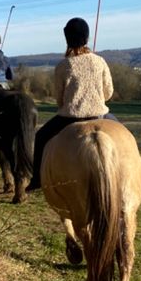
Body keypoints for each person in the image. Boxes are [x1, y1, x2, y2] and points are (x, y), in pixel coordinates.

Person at [26, 17, 117, 192]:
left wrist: (69, 103)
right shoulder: (100, 61)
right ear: (87, 38)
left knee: (40, 137)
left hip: (69, 118)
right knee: (126, 137)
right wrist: (96, 99)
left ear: (67, 39)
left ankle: (36, 179)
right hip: (101, 116)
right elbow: (108, 92)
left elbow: (59, 99)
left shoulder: (62, 66)